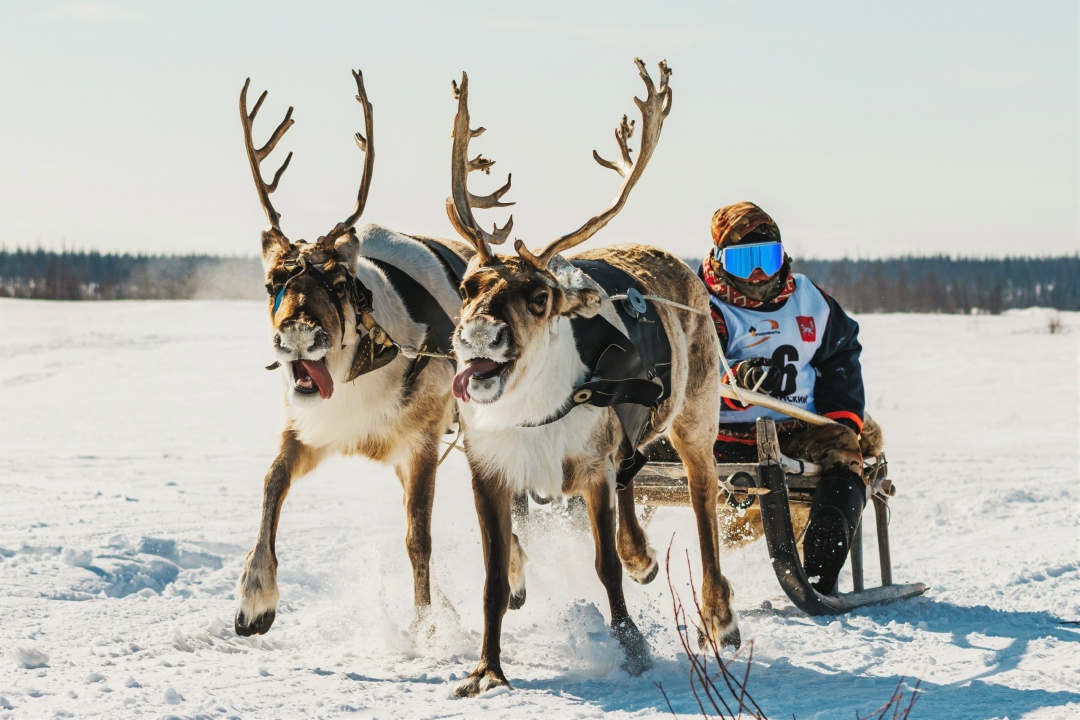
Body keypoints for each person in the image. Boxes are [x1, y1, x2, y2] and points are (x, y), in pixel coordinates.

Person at [700, 201, 869, 596]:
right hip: (717, 435)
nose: (758, 273)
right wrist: (736, 382)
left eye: (767, 258)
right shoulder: (703, 304)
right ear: (720, 260)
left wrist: (842, 416)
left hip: (796, 428)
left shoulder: (809, 298)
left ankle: (820, 572)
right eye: (744, 262)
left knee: (846, 451)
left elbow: (841, 353)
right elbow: (691, 370)